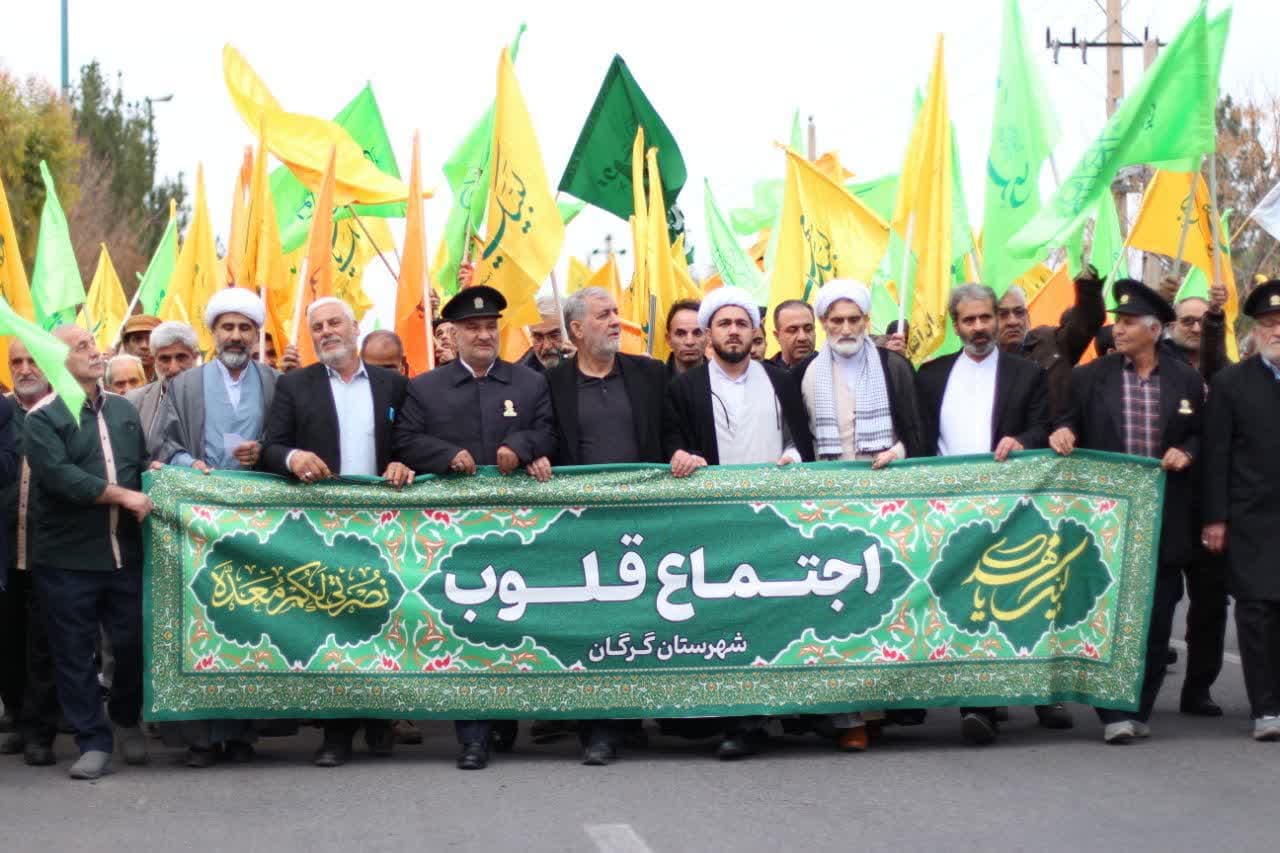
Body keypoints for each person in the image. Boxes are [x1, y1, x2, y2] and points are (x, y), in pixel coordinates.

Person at [393, 284, 554, 770]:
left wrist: (522, 446)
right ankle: (473, 737)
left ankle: (505, 721)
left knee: (514, 626)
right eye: (472, 328)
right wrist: (445, 455)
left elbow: (550, 430)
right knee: (470, 630)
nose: (484, 335)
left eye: (490, 327)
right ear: (453, 335)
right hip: (458, 538)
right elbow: (404, 440)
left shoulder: (529, 383)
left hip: (520, 533)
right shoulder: (426, 387)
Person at [1049, 279, 1203, 744]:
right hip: (1105, 524)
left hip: (1165, 518)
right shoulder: (1088, 377)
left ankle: (1139, 706)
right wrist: (1062, 433)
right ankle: (1112, 710)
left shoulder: (1185, 380)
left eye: (1130, 322)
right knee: (1109, 614)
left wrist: (1187, 450)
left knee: (1156, 619)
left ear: (1155, 330)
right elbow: (1065, 420)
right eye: (1118, 321)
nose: (1119, 329)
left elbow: (1202, 433)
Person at [261, 297, 412, 767]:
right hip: (324, 529)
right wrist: (293, 458)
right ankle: (336, 734)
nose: (326, 331)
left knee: (383, 622)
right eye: (318, 326)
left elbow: (410, 440)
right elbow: (270, 447)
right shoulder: (294, 385)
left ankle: (381, 722)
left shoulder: (392, 384)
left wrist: (404, 461)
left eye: (334, 323)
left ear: (354, 327)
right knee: (334, 628)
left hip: (383, 525)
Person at [666, 286, 813, 760]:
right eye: (724, 324)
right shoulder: (685, 388)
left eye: (741, 324)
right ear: (709, 333)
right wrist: (682, 456)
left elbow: (800, 439)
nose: (733, 332)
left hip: (771, 521)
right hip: (713, 523)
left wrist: (793, 457)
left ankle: (755, 718)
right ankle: (731, 717)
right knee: (721, 620)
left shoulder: (780, 380)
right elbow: (671, 443)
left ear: (754, 333)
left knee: (765, 617)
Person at [916, 283, 1067, 741]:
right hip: (950, 510)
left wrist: (1022, 441)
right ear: (955, 325)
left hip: (1011, 508)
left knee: (1014, 600)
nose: (979, 327)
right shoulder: (931, 374)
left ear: (998, 320)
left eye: (986, 318)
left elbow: (1042, 426)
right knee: (965, 605)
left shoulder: (1027, 373)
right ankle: (973, 703)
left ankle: (1031, 694)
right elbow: (918, 436)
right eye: (969, 320)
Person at [544, 286, 678, 766]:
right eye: (604, 315)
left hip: (644, 522)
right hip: (583, 530)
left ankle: (634, 719)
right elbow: (544, 435)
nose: (617, 321)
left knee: (641, 620)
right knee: (594, 628)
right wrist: (536, 454)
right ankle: (598, 730)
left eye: (617, 312)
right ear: (577, 330)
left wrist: (680, 452)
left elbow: (670, 432)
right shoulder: (551, 383)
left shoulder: (649, 373)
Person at [791, 280, 922, 750]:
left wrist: (899, 452)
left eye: (854, 320)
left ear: (867, 321)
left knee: (882, 602)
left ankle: (880, 706)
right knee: (838, 606)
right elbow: (798, 435)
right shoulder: (806, 373)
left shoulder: (893, 366)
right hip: (830, 508)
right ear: (824, 324)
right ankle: (849, 718)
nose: (845, 328)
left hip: (886, 502)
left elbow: (917, 430)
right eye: (836, 320)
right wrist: (792, 455)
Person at [152, 287, 279, 767]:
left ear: (256, 335)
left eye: (245, 328)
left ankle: (244, 732)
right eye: (228, 327)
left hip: (259, 523)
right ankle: (202, 738)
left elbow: (287, 438)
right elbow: (162, 443)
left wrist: (264, 452)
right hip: (199, 520)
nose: (236, 335)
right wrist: (191, 464)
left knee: (251, 620)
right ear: (213, 333)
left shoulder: (274, 382)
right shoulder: (184, 384)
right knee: (203, 619)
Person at [24, 325, 152, 780]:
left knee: (132, 644)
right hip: (67, 560)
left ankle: (125, 718)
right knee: (75, 654)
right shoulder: (41, 419)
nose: (95, 352)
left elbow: (139, 463)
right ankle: (92, 741)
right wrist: (123, 495)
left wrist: (159, 472)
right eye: (82, 348)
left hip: (124, 555)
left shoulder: (123, 410)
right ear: (58, 360)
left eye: (93, 344)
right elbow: (62, 478)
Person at [1202, 280, 1280, 741]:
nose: (1277, 331)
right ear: (1254, 331)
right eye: (1268, 323)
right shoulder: (1231, 384)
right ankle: (1266, 708)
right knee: (1256, 613)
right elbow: (1216, 456)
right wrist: (1215, 518)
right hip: (1251, 519)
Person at [1162, 284, 1231, 717]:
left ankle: (1199, 688)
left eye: (1203, 322)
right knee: (1161, 598)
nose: (1195, 328)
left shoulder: (1223, 372)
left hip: (1212, 506)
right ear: (1171, 326)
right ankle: (1143, 686)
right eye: (1187, 320)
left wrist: (1218, 321)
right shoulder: (1158, 367)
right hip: (1168, 501)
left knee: (1210, 602)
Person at [0, 343, 58, 766]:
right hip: (6, 550)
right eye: (16, 362)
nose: (24, 369)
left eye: (32, 360)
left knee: (44, 644)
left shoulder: (66, 411)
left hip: (51, 550)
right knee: (8, 642)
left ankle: (41, 732)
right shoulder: (4, 412)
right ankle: (18, 720)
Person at [997, 266, 1106, 418]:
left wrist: (1087, 283)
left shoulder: (1050, 341)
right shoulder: (978, 362)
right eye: (1003, 314)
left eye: (1019, 312)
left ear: (1027, 317)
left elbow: (1088, 320)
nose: (1013, 321)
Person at [125, 321, 199, 454]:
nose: (174, 368)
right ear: (154, 360)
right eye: (165, 359)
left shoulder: (216, 397)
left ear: (195, 357)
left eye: (181, 357)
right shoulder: (134, 401)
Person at [518, 286, 573, 373]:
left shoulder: (594, 365)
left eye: (555, 335)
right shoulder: (518, 377)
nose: (546, 346)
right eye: (538, 337)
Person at [769, 299, 816, 370]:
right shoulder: (764, 374)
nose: (802, 337)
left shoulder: (831, 368)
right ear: (777, 336)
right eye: (792, 330)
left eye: (808, 329)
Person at [664, 298, 705, 379]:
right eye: (680, 334)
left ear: (708, 337)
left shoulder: (723, 381)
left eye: (697, 333)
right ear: (669, 340)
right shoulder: (653, 381)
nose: (689, 342)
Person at [119, 314, 161, 381]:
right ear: (126, 345)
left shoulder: (170, 380)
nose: (144, 346)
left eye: (151, 339)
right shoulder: (112, 380)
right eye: (138, 339)